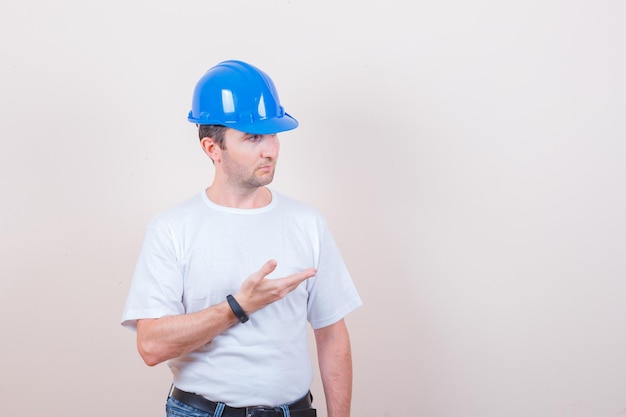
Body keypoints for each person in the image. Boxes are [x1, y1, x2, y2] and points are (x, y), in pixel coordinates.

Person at [121, 60, 362, 417]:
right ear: (212, 148)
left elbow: (332, 335)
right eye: (252, 137)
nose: (270, 150)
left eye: (272, 135)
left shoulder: (307, 223)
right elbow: (151, 346)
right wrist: (239, 306)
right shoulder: (172, 228)